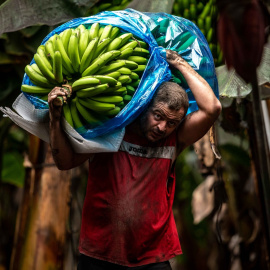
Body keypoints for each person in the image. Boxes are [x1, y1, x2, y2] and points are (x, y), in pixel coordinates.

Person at [48, 49, 222, 270]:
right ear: (144, 107)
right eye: (158, 116)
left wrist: (179, 63)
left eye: (172, 123)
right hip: (100, 254)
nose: (162, 128)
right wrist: (55, 120)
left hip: (153, 257)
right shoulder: (112, 130)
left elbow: (213, 108)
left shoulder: (174, 140)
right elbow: (65, 163)